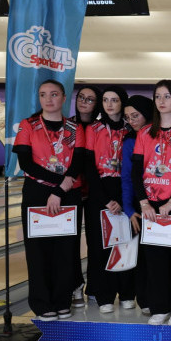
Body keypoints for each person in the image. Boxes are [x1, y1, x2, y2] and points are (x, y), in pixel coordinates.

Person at [13, 79, 85, 321]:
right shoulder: (28, 125)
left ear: (64, 99)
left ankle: (62, 300)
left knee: (66, 250)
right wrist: (58, 184)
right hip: (37, 193)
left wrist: (62, 188)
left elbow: (78, 161)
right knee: (39, 251)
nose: (49, 99)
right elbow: (25, 163)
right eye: (43, 94)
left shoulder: (75, 128)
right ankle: (43, 303)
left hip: (68, 193)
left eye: (54, 94)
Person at [132, 80, 171, 326]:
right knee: (155, 257)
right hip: (151, 203)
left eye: (167, 96)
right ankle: (160, 306)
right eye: (158, 96)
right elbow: (137, 170)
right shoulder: (145, 133)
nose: (161, 100)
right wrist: (144, 203)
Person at [84, 86, 135, 314]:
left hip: (125, 190)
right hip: (99, 192)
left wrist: (125, 200)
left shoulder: (132, 130)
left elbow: (136, 169)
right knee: (100, 247)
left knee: (126, 244)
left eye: (114, 100)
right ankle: (105, 295)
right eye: (105, 100)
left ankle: (127, 293)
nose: (109, 104)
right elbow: (89, 169)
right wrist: (105, 199)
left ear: (122, 103)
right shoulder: (93, 129)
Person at [121, 95, 154, 315]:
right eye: (128, 117)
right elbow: (126, 177)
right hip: (140, 205)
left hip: (162, 202)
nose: (132, 121)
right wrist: (130, 210)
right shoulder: (129, 142)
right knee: (143, 257)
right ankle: (146, 300)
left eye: (136, 115)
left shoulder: (163, 136)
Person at [69, 85, 101, 307]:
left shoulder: (101, 128)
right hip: (69, 191)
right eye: (81, 97)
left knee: (95, 242)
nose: (84, 101)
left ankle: (95, 288)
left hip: (96, 193)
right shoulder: (66, 126)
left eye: (90, 99)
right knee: (69, 244)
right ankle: (75, 286)